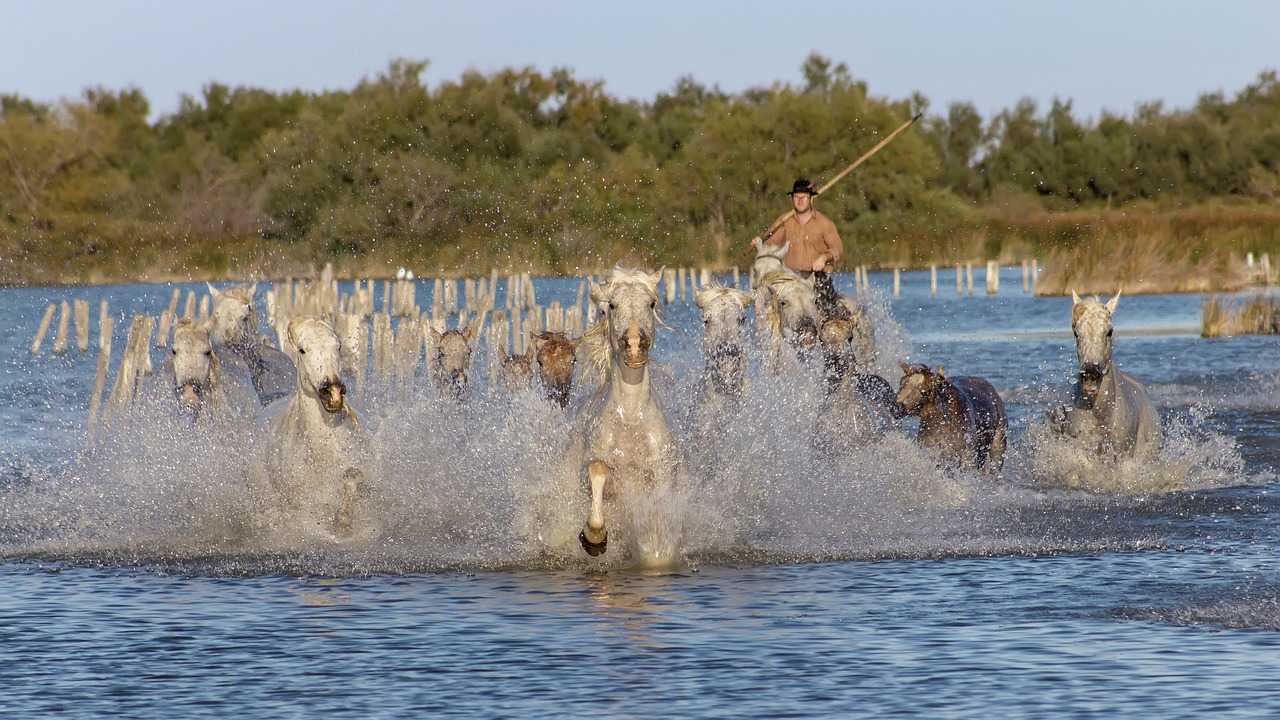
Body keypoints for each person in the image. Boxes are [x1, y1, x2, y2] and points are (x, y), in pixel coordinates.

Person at [750, 178, 844, 310]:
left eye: (804, 197)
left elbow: (837, 249)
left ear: (811, 199)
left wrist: (824, 258)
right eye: (796, 197)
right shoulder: (784, 221)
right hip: (790, 276)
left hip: (817, 277)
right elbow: (771, 245)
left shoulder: (825, 224)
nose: (800, 201)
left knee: (828, 310)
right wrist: (759, 244)